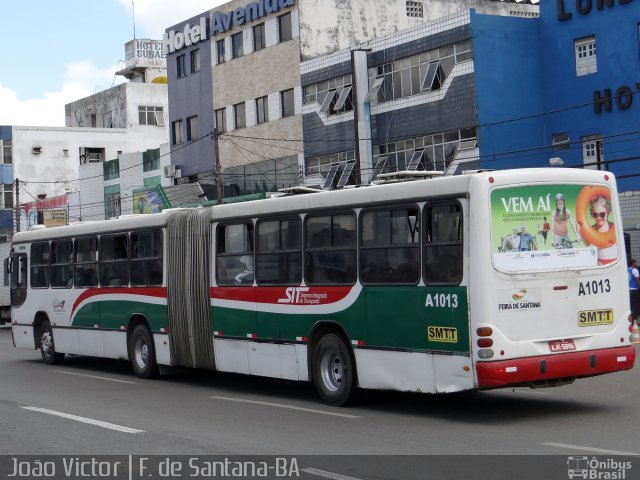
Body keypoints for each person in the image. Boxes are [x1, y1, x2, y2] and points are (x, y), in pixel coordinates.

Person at [579, 194, 618, 265]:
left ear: (607, 212)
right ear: (592, 214)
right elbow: (587, 243)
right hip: (601, 262)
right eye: (595, 215)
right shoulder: (593, 228)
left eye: (602, 214)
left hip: (615, 260)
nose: (599, 217)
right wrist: (580, 232)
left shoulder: (612, 226)